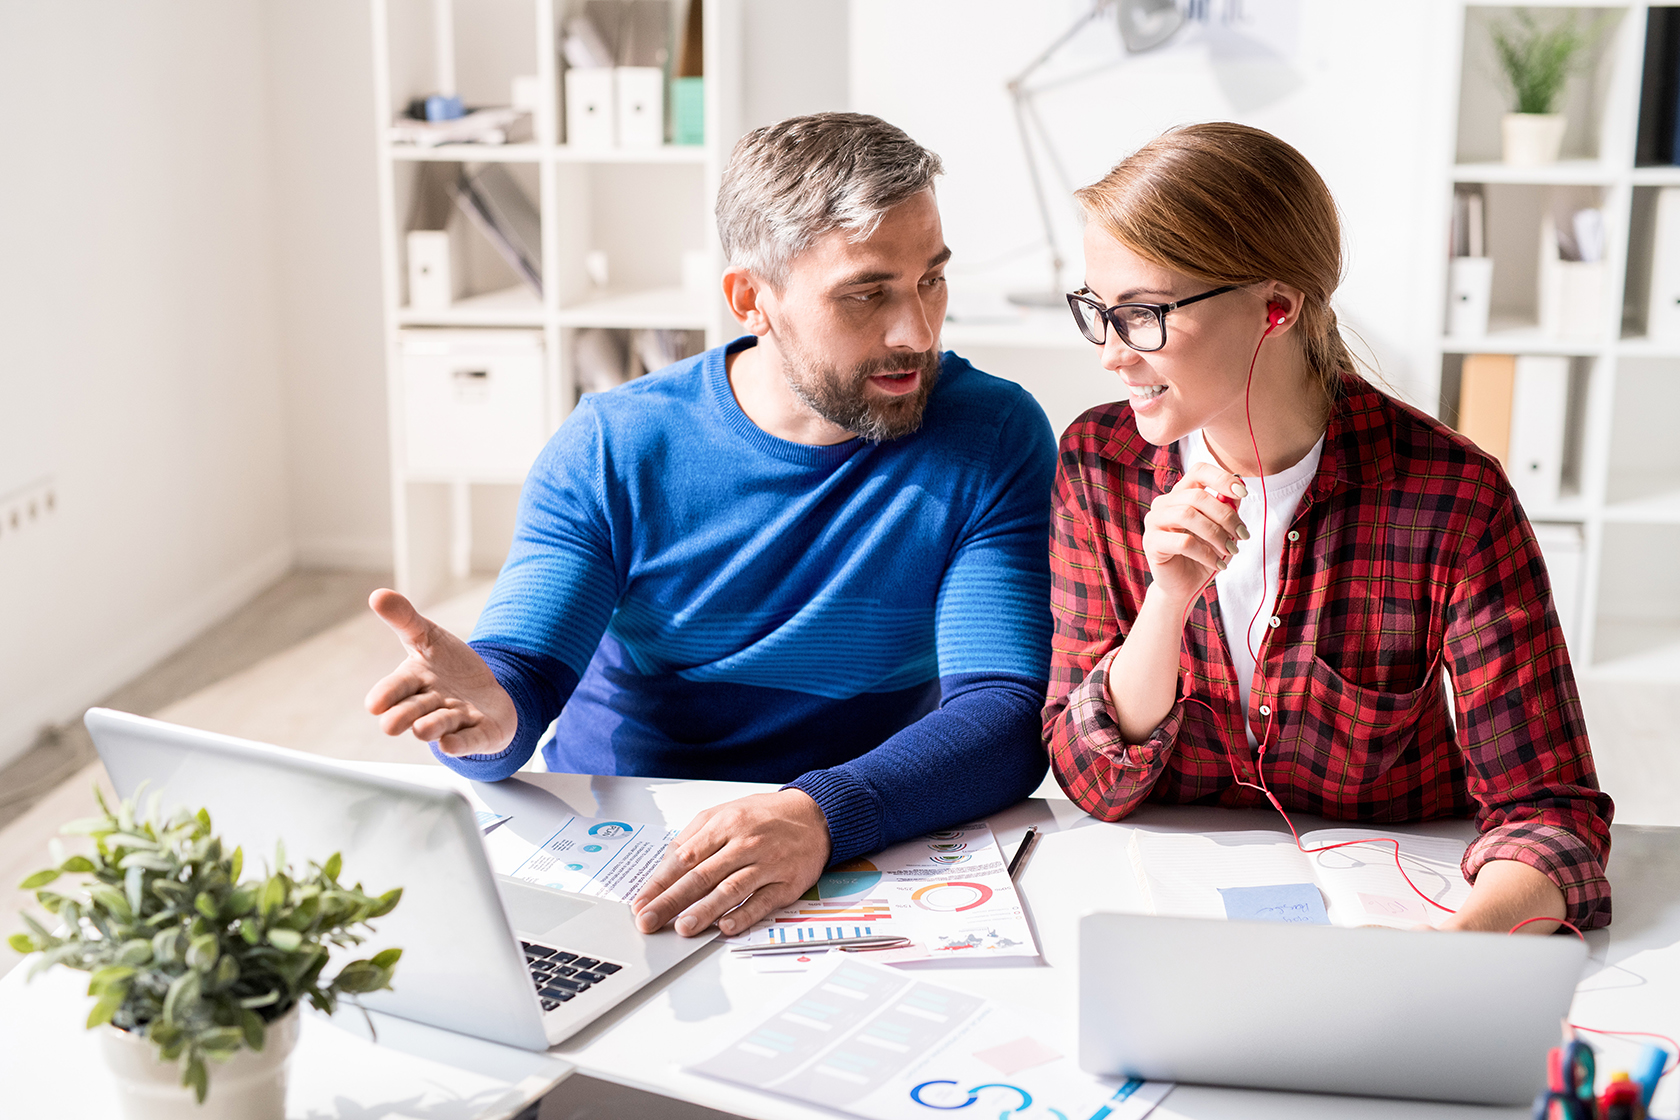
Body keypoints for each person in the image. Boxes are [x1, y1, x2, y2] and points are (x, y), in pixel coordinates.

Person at [366, 113, 1056, 940]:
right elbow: (517, 684)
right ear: (751, 300)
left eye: (931, 281)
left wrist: (819, 815)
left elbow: (1007, 714)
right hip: (637, 847)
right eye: (867, 294)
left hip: (863, 826)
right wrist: (489, 714)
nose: (916, 331)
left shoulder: (990, 436)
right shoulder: (615, 447)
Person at [1043, 122, 1612, 933]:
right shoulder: (1099, 463)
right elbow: (1088, 775)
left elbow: (1550, 814)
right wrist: (1167, 603)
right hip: (1155, 911)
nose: (1110, 353)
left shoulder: (1454, 498)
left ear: (1276, 306)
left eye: (1142, 315)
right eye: (1098, 311)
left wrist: (1444, 956)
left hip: (1401, 912)